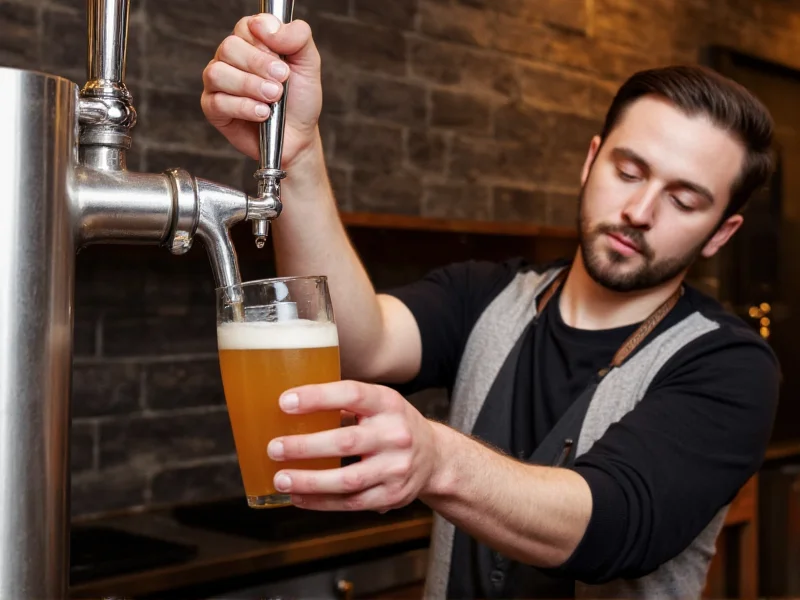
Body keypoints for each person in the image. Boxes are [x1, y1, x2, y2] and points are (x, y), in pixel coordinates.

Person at [200, 13, 781, 599]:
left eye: (683, 200)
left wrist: (438, 460)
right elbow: (360, 344)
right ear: (591, 160)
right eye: (628, 172)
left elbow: (616, 524)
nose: (640, 210)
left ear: (719, 234)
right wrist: (296, 155)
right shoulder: (487, 293)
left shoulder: (730, 366)